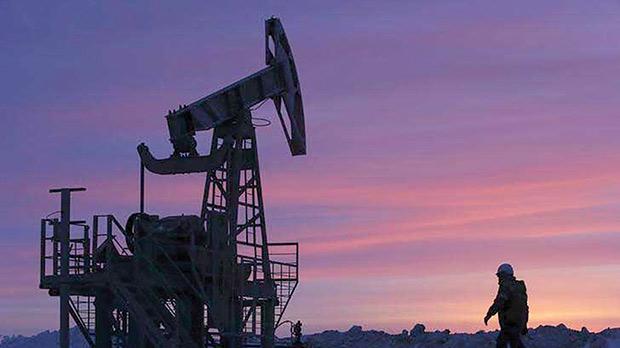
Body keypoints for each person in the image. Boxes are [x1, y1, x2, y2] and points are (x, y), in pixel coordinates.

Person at [484, 263, 529, 348]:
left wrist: (489, 314)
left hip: (509, 322)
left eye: (500, 276)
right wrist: (524, 324)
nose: (499, 279)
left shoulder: (505, 286)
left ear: (504, 275)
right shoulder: (519, 288)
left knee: (502, 343)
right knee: (514, 342)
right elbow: (525, 308)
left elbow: (499, 301)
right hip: (518, 322)